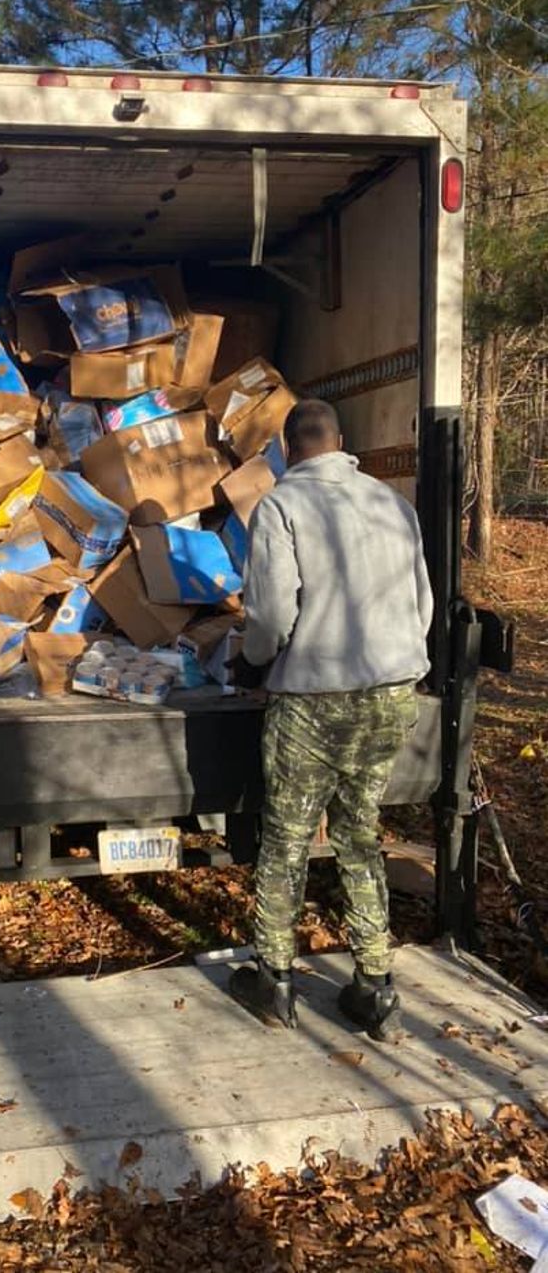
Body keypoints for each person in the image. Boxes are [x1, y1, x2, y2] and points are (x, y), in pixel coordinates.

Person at [227, 398, 433, 1042]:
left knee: (286, 839)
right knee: (360, 834)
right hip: (389, 696)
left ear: (288, 448)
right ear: (343, 442)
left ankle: (275, 981)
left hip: (313, 701)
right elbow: (421, 604)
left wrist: (253, 665)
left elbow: (269, 614)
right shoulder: (392, 504)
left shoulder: (281, 506)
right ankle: (374, 985)